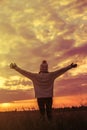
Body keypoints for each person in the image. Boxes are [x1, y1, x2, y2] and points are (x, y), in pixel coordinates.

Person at [10, 60, 77, 121]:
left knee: (42, 114)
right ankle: (50, 126)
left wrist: (16, 68)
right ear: (47, 68)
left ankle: (43, 126)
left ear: (40, 68)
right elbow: (61, 71)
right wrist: (70, 66)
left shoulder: (35, 76)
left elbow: (25, 72)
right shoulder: (51, 75)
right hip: (49, 97)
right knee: (49, 113)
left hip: (40, 97)